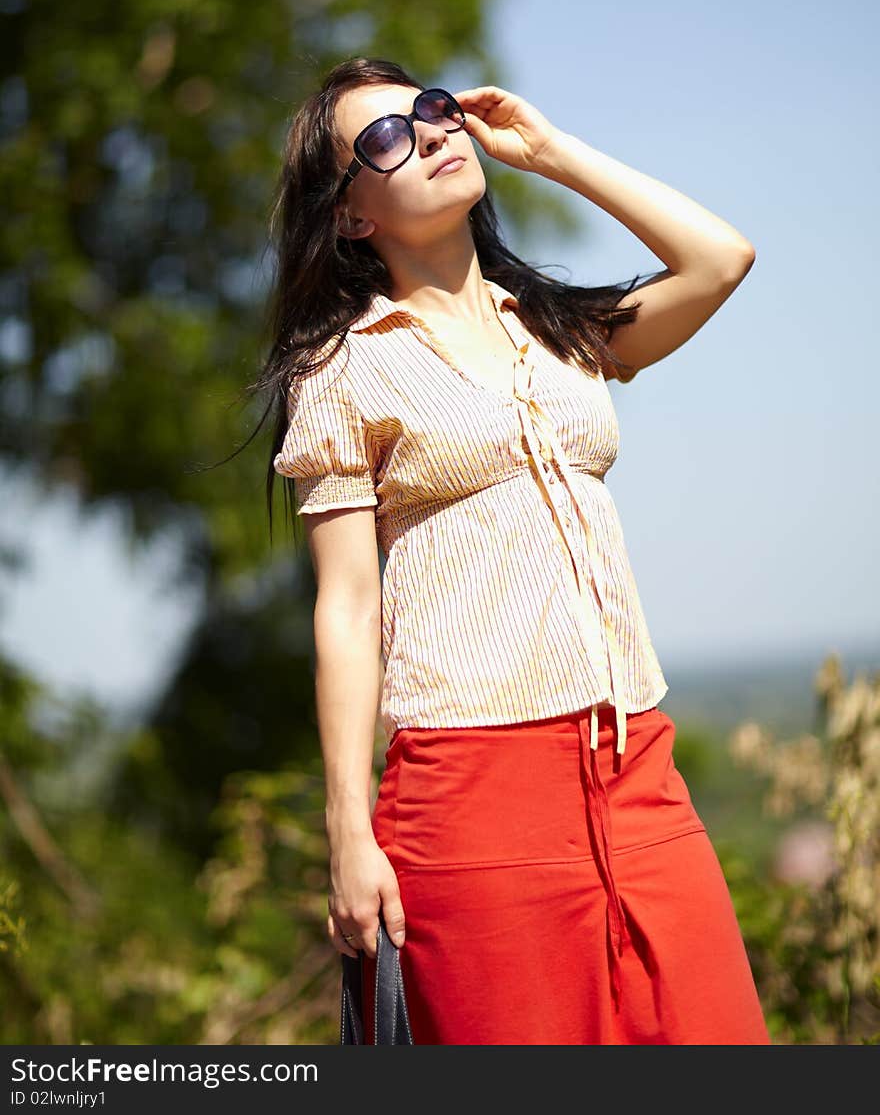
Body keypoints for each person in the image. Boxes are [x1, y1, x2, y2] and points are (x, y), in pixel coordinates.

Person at [265, 55, 771, 1045]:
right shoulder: (343, 366)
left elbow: (720, 259)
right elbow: (347, 610)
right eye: (386, 137)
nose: (433, 133)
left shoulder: (558, 331)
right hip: (471, 790)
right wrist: (348, 830)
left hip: (635, 764)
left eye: (435, 110)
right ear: (352, 213)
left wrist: (551, 154)